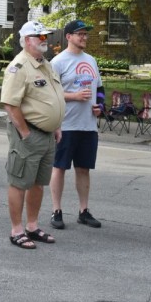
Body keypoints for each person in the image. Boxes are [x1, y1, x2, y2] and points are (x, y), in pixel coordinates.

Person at [0, 21, 66, 249]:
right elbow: (10, 104)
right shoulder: (19, 67)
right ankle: (16, 230)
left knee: (38, 183)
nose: (44, 40)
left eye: (46, 36)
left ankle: (32, 226)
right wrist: (25, 133)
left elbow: (50, 97)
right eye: (39, 37)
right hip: (28, 134)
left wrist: (55, 125)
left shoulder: (45, 64)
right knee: (19, 182)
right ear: (27, 40)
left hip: (47, 135)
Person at [49, 20, 105, 230]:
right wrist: (74, 95)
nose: (84, 37)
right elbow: (50, 93)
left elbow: (99, 87)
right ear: (68, 37)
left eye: (86, 34)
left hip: (88, 125)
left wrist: (100, 105)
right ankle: (56, 211)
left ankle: (83, 211)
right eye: (79, 34)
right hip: (66, 124)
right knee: (60, 167)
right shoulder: (58, 62)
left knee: (83, 169)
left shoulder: (90, 60)